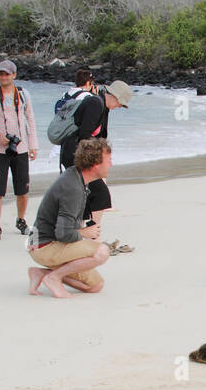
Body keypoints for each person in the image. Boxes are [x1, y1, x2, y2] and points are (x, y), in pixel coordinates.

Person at [27, 138, 113, 298]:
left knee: (95, 286)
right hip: (43, 246)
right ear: (95, 164)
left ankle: (42, 273)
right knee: (102, 251)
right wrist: (86, 233)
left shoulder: (76, 176)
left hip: (44, 242)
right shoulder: (72, 188)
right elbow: (63, 234)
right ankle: (54, 277)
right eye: (108, 161)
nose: (111, 164)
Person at [60, 71, 132, 233]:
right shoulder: (95, 103)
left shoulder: (103, 107)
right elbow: (84, 136)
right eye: (121, 102)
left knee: (86, 194)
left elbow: (99, 136)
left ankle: (85, 231)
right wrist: (93, 162)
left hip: (82, 155)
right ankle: (91, 233)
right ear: (113, 96)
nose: (120, 106)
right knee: (99, 193)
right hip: (75, 155)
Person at [0, 59, 38, 240]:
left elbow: (30, 120)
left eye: (6, 73)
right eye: (0, 73)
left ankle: (21, 220)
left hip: (21, 149)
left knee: (23, 190)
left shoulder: (23, 95)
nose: (3, 77)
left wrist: (33, 145)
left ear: (14, 75)